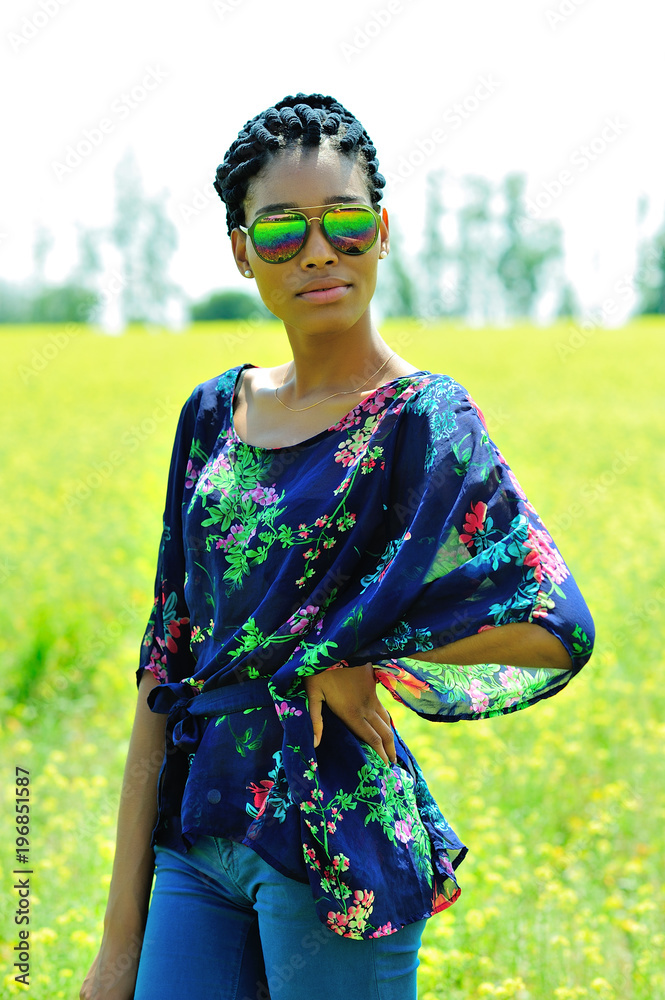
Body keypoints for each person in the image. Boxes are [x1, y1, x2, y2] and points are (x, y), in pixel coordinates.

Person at [80, 93, 595, 1000]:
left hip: (335, 843)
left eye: (345, 221)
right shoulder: (211, 415)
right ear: (241, 251)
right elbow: (166, 663)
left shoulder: (424, 421)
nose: (318, 251)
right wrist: (118, 944)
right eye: (280, 231)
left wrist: (359, 653)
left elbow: (554, 624)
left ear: (382, 231)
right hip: (199, 838)